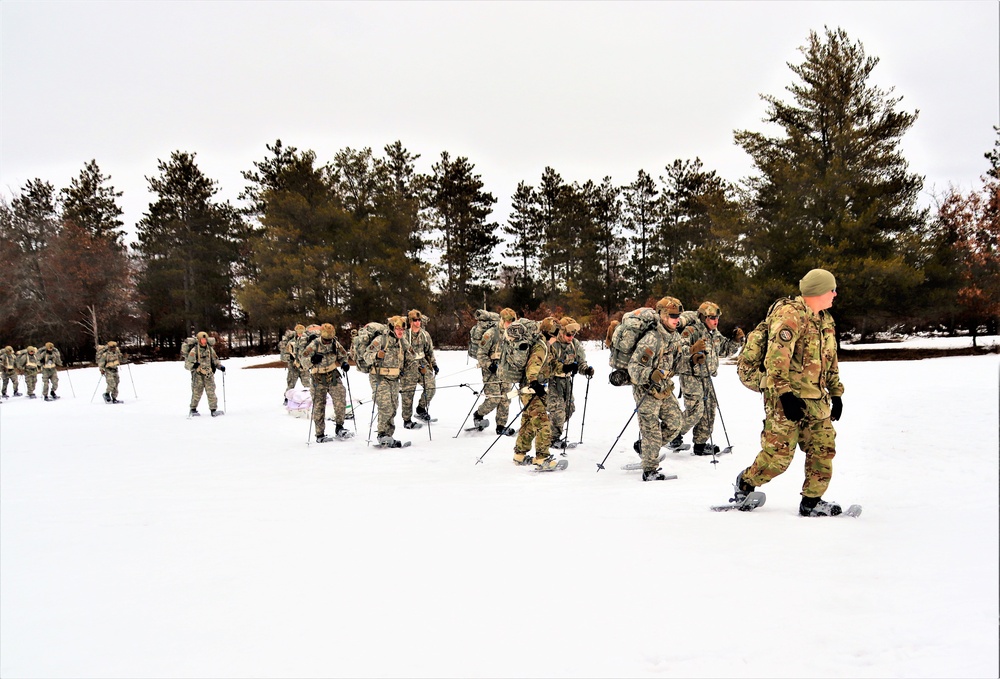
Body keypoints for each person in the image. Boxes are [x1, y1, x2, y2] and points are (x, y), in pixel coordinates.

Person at [733, 268, 846, 516]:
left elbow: (831, 359)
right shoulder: (790, 315)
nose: (835, 294)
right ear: (818, 291)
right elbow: (776, 358)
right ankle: (746, 483)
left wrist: (836, 392)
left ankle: (812, 502)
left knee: (823, 448)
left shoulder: (825, 320)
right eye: (832, 289)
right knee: (778, 457)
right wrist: (784, 395)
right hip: (786, 396)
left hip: (816, 398)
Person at [627, 297, 697, 481]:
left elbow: (675, 363)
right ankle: (649, 470)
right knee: (652, 431)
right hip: (646, 390)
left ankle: (647, 447)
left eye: (678, 316)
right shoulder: (651, 339)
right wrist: (650, 374)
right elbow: (633, 369)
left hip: (664, 388)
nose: (676, 319)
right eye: (672, 315)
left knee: (676, 424)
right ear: (662, 316)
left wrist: (691, 359)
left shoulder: (673, 336)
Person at [673, 302, 745, 454]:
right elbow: (678, 349)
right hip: (691, 374)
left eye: (717, 318)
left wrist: (735, 341)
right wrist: (693, 350)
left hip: (706, 375)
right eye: (712, 318)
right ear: (703, 317)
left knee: (709, 410)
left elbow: (724, 350)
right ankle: (672, 434)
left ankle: (700, 444)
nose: (715, 321)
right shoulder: (691, 330)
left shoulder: (714, 333)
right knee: (696, 410)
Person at [512, 316, 560, 470]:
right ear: (551, 333)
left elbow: (550, 365)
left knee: (528, 423)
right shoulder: (540, 346)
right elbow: (533, 366)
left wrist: (564, 368)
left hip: (533, 390)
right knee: (542, 422)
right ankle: (542, 457)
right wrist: (534, 382)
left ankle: (519, 454)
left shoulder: (545, 346)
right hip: (531, 391)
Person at [363, 315, 414, 447]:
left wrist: (416, 368)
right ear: (392, 328)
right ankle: (382, 434)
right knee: (385, 406)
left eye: (402, 330)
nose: (400, 332)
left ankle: (388, 435)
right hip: (379, 378)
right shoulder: (381, 340)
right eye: (397, 329)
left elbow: (411, 358)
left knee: (393, 407)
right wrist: (376, 355)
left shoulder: (402, 342)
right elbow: (366, 356)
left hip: (394, 379)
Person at [548, 316, 594, 448]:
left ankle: (548, 427)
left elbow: (580, 362)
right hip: (553, 381)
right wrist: (564, 367)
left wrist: (586, 370)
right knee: (558, 411)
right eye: (568, 334)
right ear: (562, 332)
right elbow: (548, 364)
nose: (571, 337)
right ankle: (552, 439)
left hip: (567, 381)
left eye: (573, 334)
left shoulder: (575, 344)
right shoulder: (552, 344)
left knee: (569, 409)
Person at [301, 323, 352, 442]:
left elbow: (343, 355)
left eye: (330, 339)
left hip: (332, 375)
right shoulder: (314, 344)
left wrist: (344, 363)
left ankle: (339, 427)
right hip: (317, 377)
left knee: (340, 400)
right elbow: (303, 362)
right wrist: (312, 360)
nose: (328, 342)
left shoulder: (335, 343)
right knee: (319, 406)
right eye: (326, 340)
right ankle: (320, 434)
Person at [473, 307, 517, 435]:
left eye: (512, 321)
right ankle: (479, 414)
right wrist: (489, 365)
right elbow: (480, 354)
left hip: (505, 370)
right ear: (502, 320)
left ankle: (501, 426)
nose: (510, 324)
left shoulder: (513, 334)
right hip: (490, 370)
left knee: (506, 398)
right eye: (508, 321)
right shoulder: (491, 333)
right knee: (494, 399)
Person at [400, 309, 438, 429]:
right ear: (411, 321)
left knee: (431, 387)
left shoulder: (424, 335)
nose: (418, 322)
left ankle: (421, 408)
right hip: (408, 366)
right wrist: (400, 368)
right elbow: (399, 352)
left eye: (419, 320)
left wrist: (434, 364)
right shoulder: (404, 335)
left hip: (422, 364)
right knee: (407, 394)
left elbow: (429, 351)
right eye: (415, 320)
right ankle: (407, 419)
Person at [184, 331, 225, 416]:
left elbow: (215, 359)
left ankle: (213, 410)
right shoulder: (194, 350)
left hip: (208, 375)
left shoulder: (210, 349)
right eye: (202, 339)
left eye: (205, 339)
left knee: (211, 392)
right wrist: (194, 365)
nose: (204, 341)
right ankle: (193, 409)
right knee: (197, 393)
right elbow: (187, 364)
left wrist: (220, 366)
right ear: (199, 340)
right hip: (198, 375)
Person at [283, 323, 312, 403]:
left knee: (307, 384)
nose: (300, 334)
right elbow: (285, 354)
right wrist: (291, 358)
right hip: (293, 366)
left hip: (303, 366)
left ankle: (309, 398)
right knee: (291, 383)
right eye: (298, 333)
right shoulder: (291, 342)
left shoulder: (307, 341)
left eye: (301, 333)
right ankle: (287, 399)